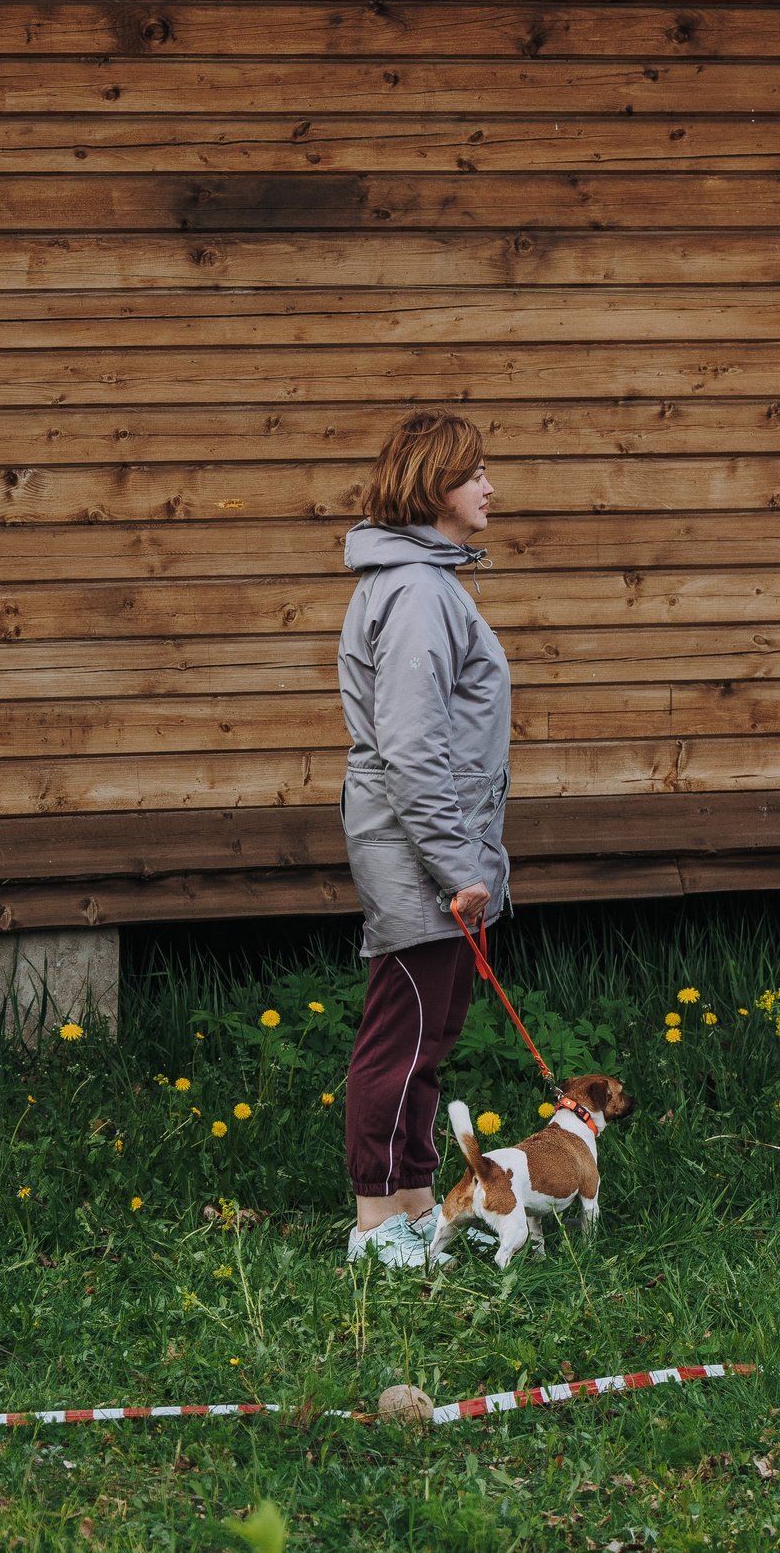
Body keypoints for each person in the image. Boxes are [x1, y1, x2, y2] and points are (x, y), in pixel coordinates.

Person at [335, 411, 512, 1267]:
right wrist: (457, 867)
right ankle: (375, 1226)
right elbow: (411, 747)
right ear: (434, 487)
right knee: (399, 1042)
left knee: (427, 1042)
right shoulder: (416, 592)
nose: (489, 488)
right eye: (473, 474)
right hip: (420, 856)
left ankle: (412, 1206)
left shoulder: (426, 583)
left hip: (436, 852)